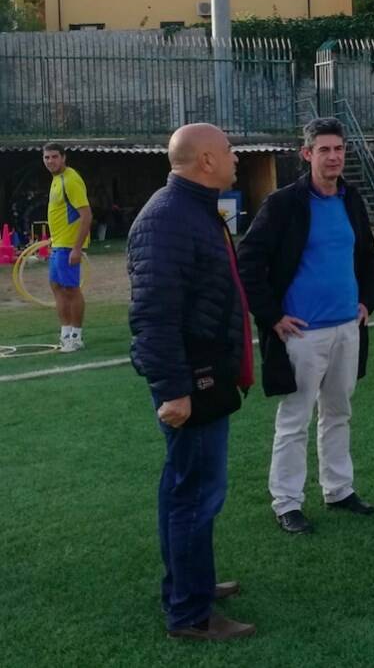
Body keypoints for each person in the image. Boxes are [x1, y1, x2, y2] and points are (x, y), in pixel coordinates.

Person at [127, 123, 255, 641]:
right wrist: (175, 387)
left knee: (187, 489)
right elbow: (153, 315)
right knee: (194, 495)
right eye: (227, 150)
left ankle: (190, 584)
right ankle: (190, 613)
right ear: (205, 160)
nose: (235, 158)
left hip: (205, 371)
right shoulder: (167, 219)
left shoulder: (195, 210)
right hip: (191, 377)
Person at [238, 117, 374, 535]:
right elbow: (248, 260)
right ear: (307, 154)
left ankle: (338, 489)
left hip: (346, 328)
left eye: (338, 149)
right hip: (301, 334)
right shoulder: (283, 204)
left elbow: (367, 255)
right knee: (294, 419)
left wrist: (366, 302)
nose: (333, 156)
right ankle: (287, 502)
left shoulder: (351, 199)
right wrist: (271, 315)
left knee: (338, 413)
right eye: (324, 150)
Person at [43, 143, 92, 352]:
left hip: (68, 246)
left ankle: (76, 336)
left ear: (63, 158)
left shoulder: (70, 180)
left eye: (54, 157)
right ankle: (65, 332)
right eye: (46, 157)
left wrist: (76, 248)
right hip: (58, 244)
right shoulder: (56, 180)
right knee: (56, 287)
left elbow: (86, 215)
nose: (50, 161)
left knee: (71, 289)